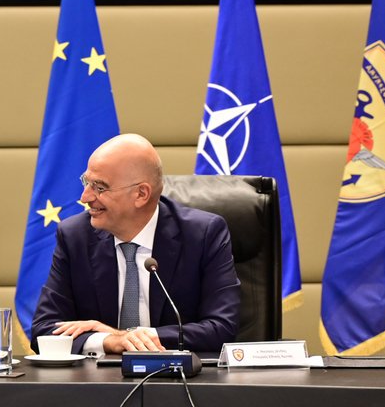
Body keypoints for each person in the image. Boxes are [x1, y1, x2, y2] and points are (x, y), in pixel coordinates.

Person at [32, 134, 240, 354]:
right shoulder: (75, 236)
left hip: (178, 374)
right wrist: (109, 341)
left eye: (100, 187)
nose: (85, 197)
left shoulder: (202, 235)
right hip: (99, 375)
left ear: (141, 194)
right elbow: (44, 331)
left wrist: (128, 336)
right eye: (86, 182)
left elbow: (222, 328)